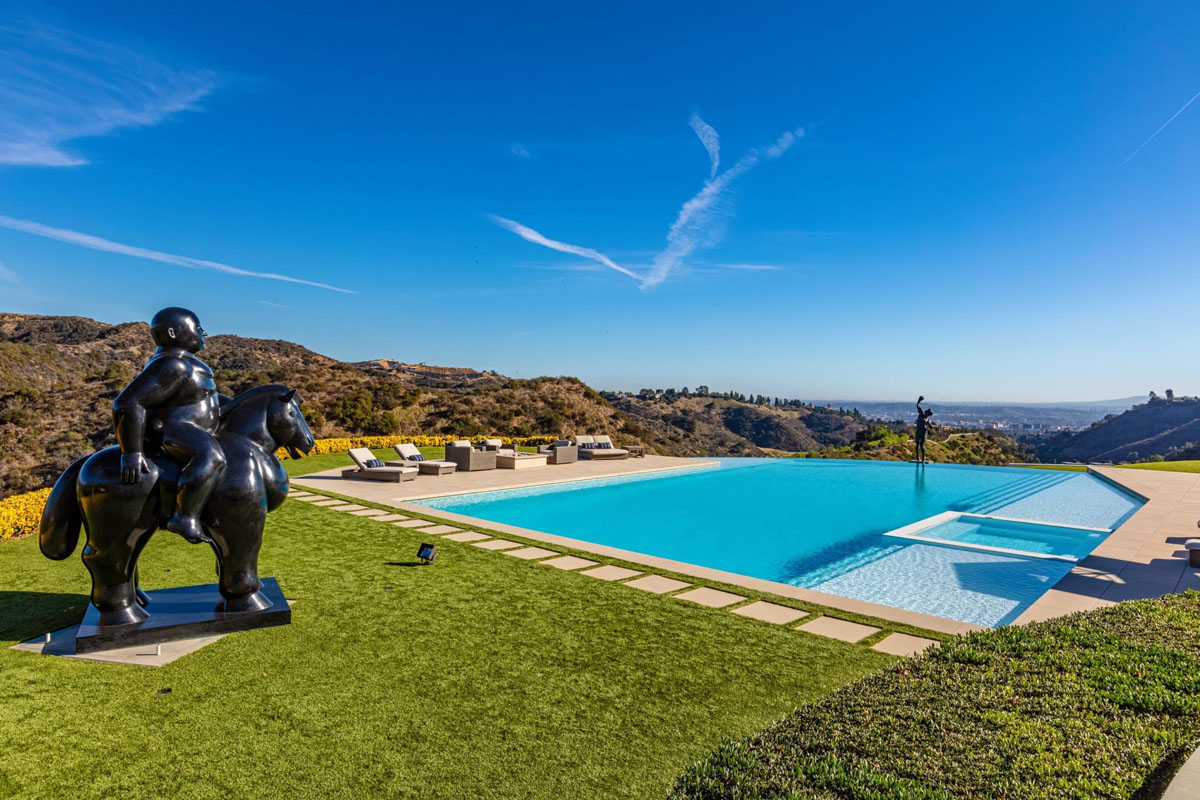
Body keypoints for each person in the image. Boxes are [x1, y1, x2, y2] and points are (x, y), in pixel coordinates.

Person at [112, 308, 227, 544]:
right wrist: (131, 452)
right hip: (176, 429)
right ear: (173, 333)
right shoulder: (171, 364)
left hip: (197, 428)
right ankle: (185, 517)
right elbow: (127, 402)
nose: (203, 332)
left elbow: (208, 399)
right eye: (197, 327)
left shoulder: (191, 365)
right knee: (211, 455)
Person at [914, 395, 935, 464]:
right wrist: (919, 400)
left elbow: (931, 427)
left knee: (921, 446)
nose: (925, 411)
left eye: (927, 411)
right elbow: (918, 406)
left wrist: (928, 424)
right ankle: (917, 457)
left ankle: (923, 457)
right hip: (918, 431)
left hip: (923, 432)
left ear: (928, 414)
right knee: (917, 444)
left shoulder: (928, 420)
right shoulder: (921, 414)